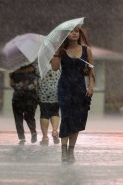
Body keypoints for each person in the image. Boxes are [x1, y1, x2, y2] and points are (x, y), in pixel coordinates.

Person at [51, 26, 95, 163]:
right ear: (66, 35)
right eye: (71, 32)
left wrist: (91, 86)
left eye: (76, 31)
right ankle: (64, 151)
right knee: (66, 118)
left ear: (79, 33)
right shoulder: (62, 51)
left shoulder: (86, 50)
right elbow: (54, 67)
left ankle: (71, 150)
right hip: (64, 87)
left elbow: (91, 70)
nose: (74, 33)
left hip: (79, 88)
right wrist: (57, 52)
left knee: (77, 120)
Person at [32, 60, 61, 146]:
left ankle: (45, 137)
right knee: (55, 112)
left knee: (44, 114)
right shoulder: (58, 63)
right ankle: (55, 131)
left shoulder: (39, 65)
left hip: (43, 92)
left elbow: (35, 78)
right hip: (56, 92)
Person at [9, 63, 39, 145]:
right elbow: (38, 80)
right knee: (30, 115)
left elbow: (11, 84)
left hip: (18, 95)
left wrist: (18, 83)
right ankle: (33, 132)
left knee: (18, 117)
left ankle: (21, 137)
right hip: (31, 95)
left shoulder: (13, 69)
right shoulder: (34, 66)